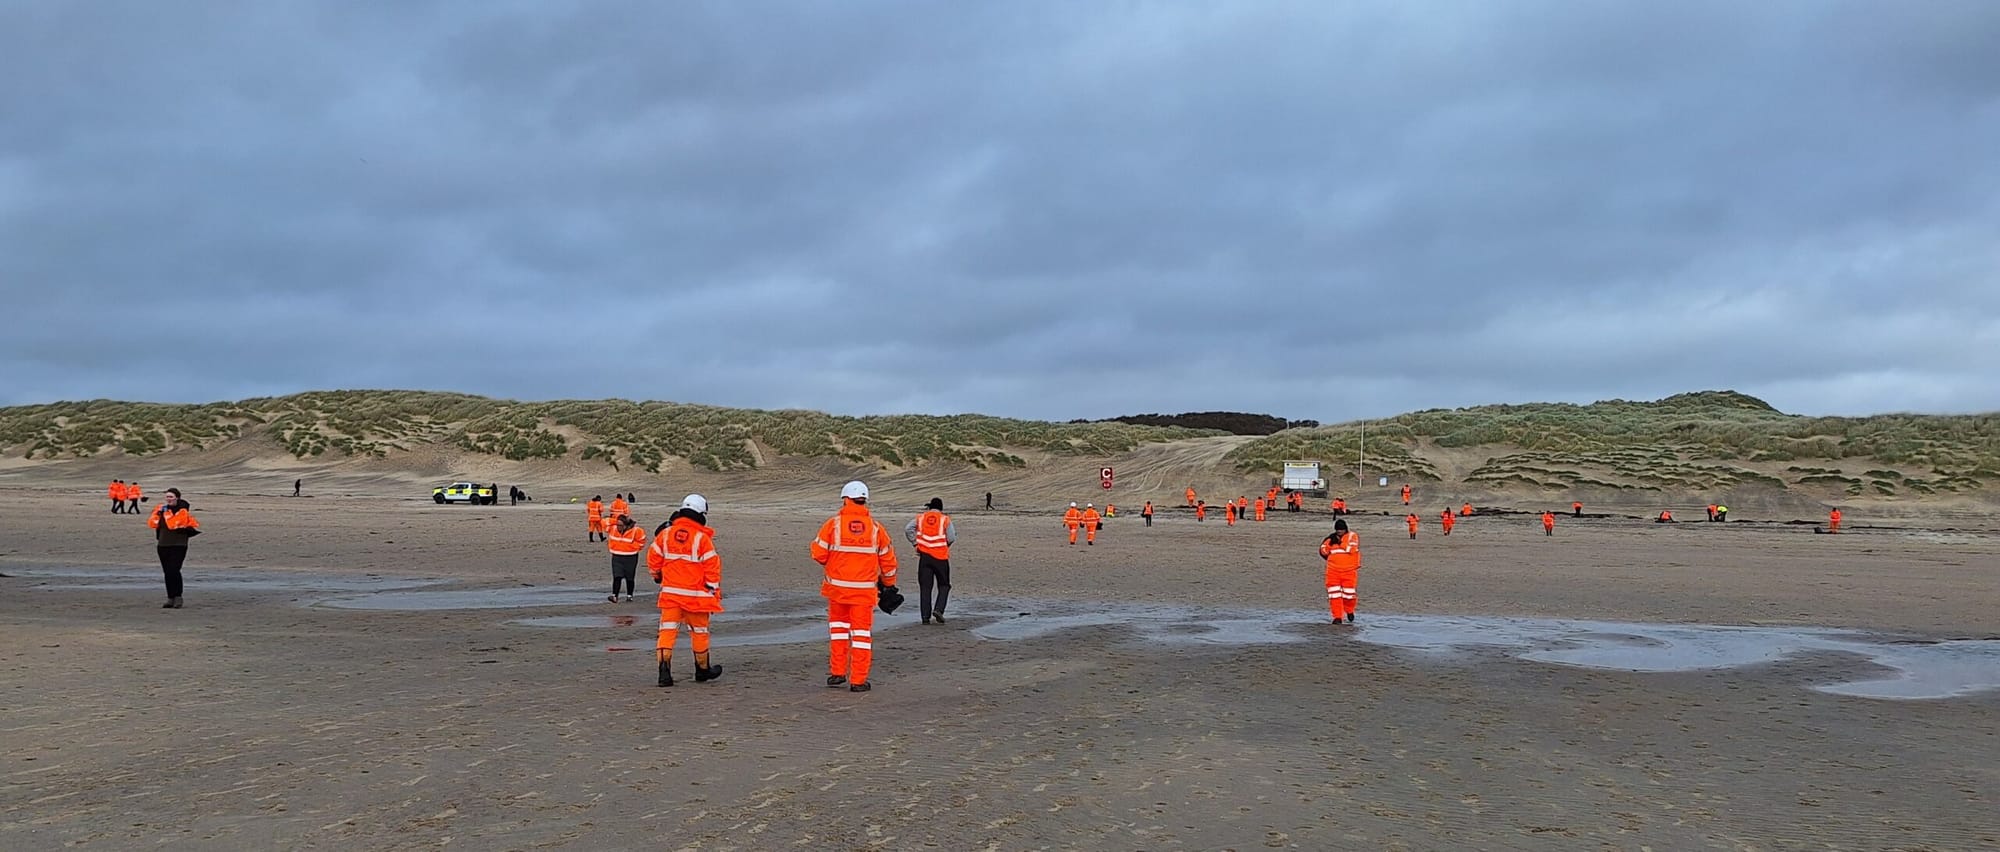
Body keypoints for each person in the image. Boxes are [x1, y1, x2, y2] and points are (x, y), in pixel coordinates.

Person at [809, 481, 899, 692]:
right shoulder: (876, 528)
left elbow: (818, 553)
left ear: (845, 499)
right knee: (861, 636)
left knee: (838, 631)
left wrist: (835, 563)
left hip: (837, 591)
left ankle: (837, 672)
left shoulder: (833, 525)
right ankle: (858, 680)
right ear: (864, 500)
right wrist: (889, 585)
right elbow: (889, 561)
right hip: (863, 594)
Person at [647, 495, 724, 687]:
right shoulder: (702, 538)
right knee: (699, 633)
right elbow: (712, 567)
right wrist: (713, 591)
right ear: (701, 514)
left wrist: (657, 576)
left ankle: (664, 673)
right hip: (696, 597)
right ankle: (702, 669)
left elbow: (653, 557)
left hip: (670, 595)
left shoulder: (665, 534)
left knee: (666, 632)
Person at [904, 498, 955, 625]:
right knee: (944, 585)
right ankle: (939, 609)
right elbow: (951, 537)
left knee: (925, 587)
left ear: (930, 507)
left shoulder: (921, 518)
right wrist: (944, 545)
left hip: (925, 557)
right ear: (941, 508)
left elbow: (908, 529)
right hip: (941, 557)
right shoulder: (945, 519)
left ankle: (925, 617)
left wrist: (915, 543)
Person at [147, 488, 201, 609]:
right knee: (167, 572)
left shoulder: (182, 511)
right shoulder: (161, 510)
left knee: (174, 570)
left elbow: (177, 524)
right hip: (163, 544)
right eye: (167, 497)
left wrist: (169, 513)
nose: (169, 499)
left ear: (177, 498)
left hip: (179, 544)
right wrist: (159, 514)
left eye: (171, 497)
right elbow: (153, 524)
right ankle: (170, 597)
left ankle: (178, 597)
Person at [1320, 518, 1360, 624]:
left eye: (1341, 530)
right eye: (1337, 530)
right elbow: (1323, 551)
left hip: (1349, 571)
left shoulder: (1352, 536)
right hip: (1333, 571)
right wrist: (1329, 541)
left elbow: (1350, 548)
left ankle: (1349, 610)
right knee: (1334, 595)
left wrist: (1339, 542)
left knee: (1349, 595)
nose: (1339, 532)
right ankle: (1337, 617)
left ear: (1345, 529)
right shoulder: (1331, 538)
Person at [606, 513, 647, 602]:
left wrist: (633, 547)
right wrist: (616, 520)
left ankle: (629, 596)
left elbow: (642, 541)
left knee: (630, 577)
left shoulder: (636, 530)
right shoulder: (613, 528)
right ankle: (614, 596)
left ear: (626, 525)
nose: (618, 527)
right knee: (617, 576)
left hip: (631, 556)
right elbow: (604, 522)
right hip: (616, 556)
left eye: (620, 525)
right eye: (617, 525)